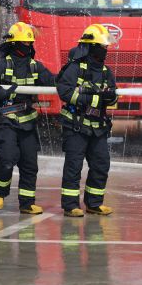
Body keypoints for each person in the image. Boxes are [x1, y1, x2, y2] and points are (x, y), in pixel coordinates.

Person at [0, 22, 54, 214]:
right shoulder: (3, 65)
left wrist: (70, 76)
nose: (28, 46)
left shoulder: (35, 66)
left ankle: (27, 204)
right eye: (24, 43)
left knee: (30, 164)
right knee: (7, 158)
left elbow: (53, 81)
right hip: (6, 120)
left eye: (30, 43)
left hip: (28, 122)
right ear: (13, 44)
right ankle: (0, 193)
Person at [57, 24, 118, 217]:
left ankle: (94, 203)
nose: (105, 50)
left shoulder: (106, 72)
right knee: (74, 166)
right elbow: (64, 91)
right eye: (103, 46)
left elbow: (113, 97)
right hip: (76, 125)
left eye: (106, 46)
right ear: (91, 46)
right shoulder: (75, 68)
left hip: (98, 127)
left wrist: (111, 98)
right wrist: (92, 99)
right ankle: (70, 206)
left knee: (101, 164)